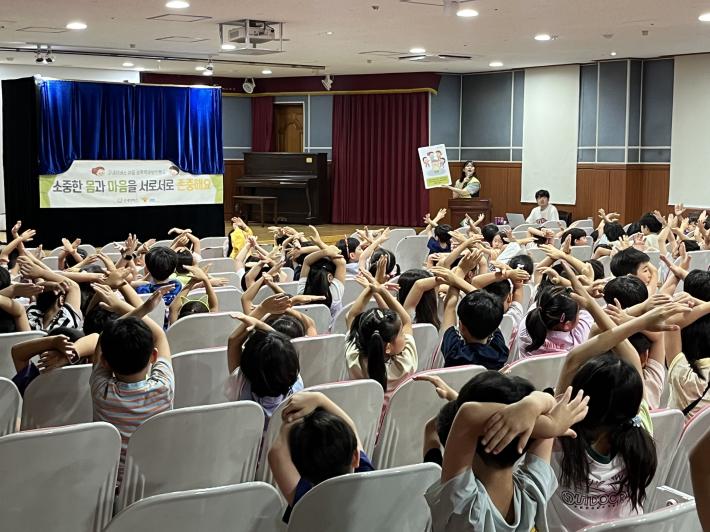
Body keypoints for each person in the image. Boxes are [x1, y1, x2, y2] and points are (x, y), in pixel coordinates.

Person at [425, 370, 588, 532]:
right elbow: (549, 406)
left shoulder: (462, 506)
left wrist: (546, 424)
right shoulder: (534, 489)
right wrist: (536, 410)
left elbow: (469, 414)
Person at [90, 291, 175, 487]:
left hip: (111, 486)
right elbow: (160, 336)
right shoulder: (164, 387)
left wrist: (138, 309)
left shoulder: (101, 391)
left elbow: (103, 340)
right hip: (153, 484)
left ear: (105, 361)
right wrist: (133, 307)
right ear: (153, 357)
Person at [268, 391, 374, 523]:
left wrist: (290, 418)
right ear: (356, 458)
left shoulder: (307, 501)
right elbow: (350, 426)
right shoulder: (368, 482)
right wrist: (320, 399)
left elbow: (277, 454)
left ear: (299, 469)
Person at [224, 298, 304, 431]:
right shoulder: (297, 384)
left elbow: (233, 341)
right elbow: (284, 347)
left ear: (247, 362)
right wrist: (259, 322)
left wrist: (261, 311)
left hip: (246, 450)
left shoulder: (241, 384)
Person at [345, 270, 416, 406]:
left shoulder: (354, 359)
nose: (404, 336)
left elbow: (351, 316)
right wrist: (380, 290)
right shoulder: (405, 363)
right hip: (394, 422)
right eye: (401, 333)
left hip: (364, 418)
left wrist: (371, 289)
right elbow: (406, 321)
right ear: (388, 347)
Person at [434, 251, 510, 369]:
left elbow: (449, 306)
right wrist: (457, 277)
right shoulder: (500, 352)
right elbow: (493, 312)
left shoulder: (454, 353)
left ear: (461, 326)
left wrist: (460, 271)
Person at [516, 284, 593, 359]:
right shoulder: (579, 336)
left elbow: (544, 301)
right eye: (578, 312)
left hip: (526, 372)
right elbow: (589, 306)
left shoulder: (525, 330)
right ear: (567, 324)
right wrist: (585, 290)